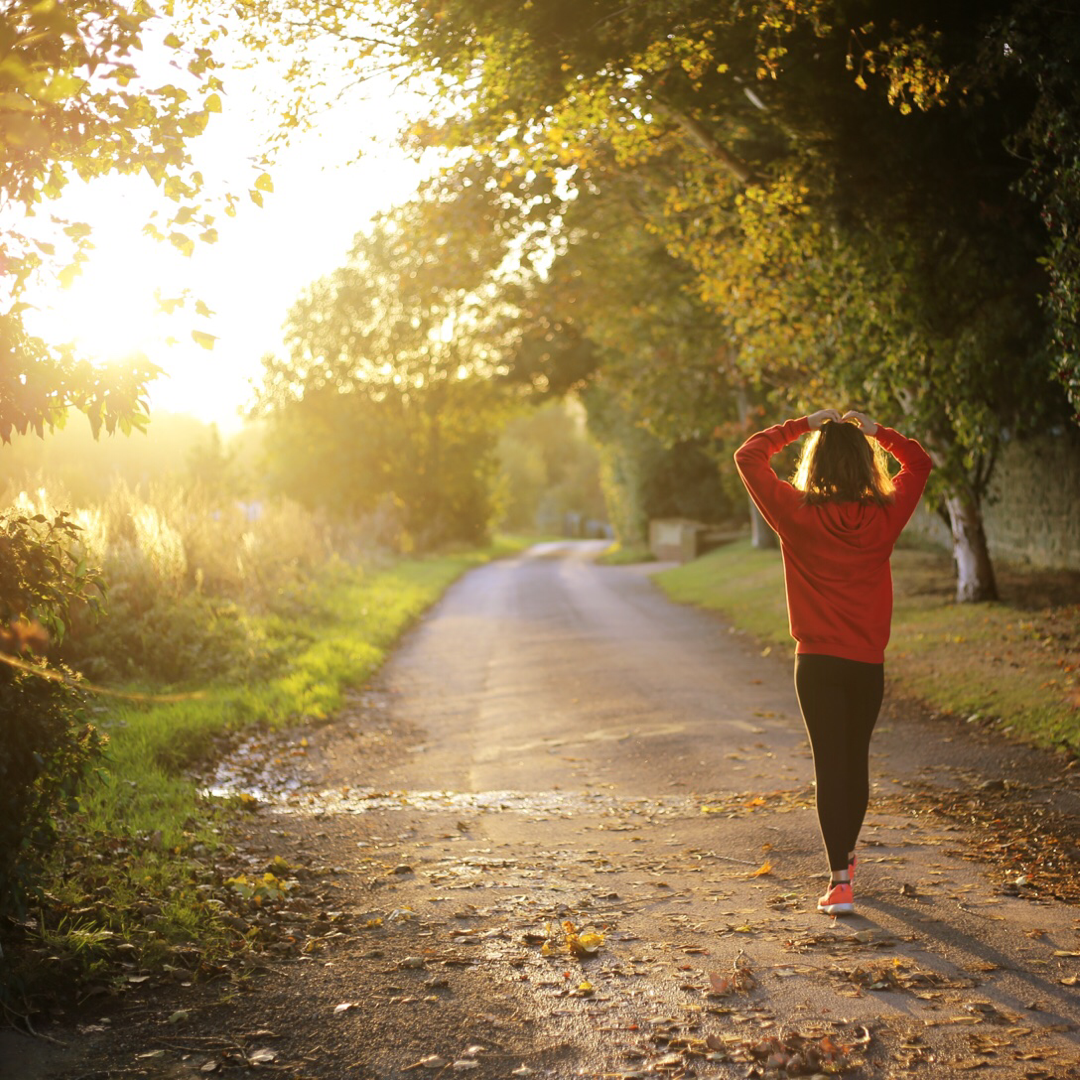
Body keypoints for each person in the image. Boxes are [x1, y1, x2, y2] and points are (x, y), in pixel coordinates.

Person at [734, 408, 932, 916]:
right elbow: (920, 461)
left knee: (830, 765)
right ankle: (844, 862)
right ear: (866, 465)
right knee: (855, 761)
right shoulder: (886, 514)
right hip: (866, 662)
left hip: (817, 662)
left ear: (815, 464)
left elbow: (748, 456)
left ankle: (840, 880)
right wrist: (878, 433)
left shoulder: (795, 512)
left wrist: (802, 425)